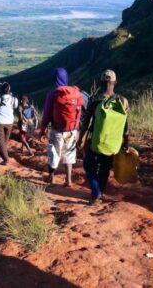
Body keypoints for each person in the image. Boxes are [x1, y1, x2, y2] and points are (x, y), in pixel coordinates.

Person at [78, 70, 130, 205]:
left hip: (95, 139)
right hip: (112, 142)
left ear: (101, 83)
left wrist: (80, 139)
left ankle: (96, 194)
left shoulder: (95, 100)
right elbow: (125, 126)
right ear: (115, 83)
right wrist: (126, 143)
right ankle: (99, 192)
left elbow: (86, 121)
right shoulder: (123, 101)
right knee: (105, 168)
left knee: (89, 166)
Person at [40, 68, 85, 187]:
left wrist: (42, 130)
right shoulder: (76, 94)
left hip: (57, 130)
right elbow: (80, 111)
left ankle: (50, 177)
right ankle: (68, 180)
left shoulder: (53, 94)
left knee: (54, 154)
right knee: (69, 155)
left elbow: (46, 114)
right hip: (72, 130)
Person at [0, 82, 18, 165]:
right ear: (9, 89)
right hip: (10, 122)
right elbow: (15, 106)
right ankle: (1, 154)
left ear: (1, 89)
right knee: (5, 140)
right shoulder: (14, 99)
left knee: (0, 141)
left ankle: (6, 159)